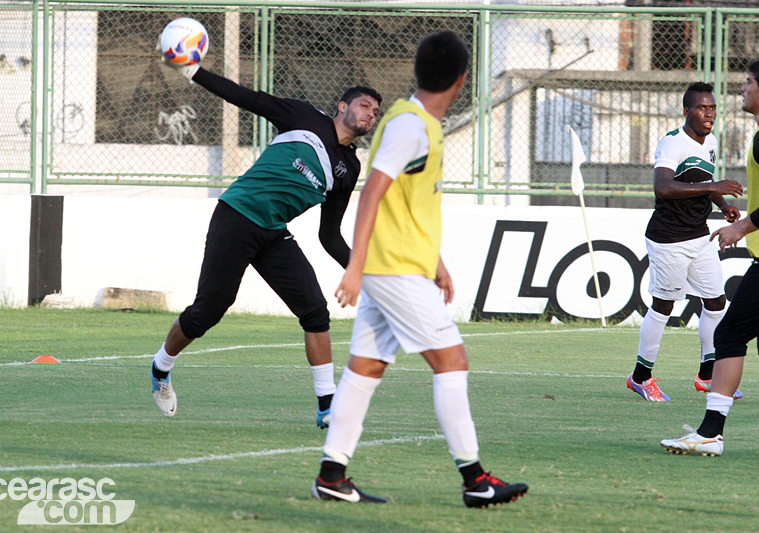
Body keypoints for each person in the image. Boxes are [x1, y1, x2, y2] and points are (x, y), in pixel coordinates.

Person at [310, 30, 528, 507]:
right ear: (463, 79)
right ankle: (475, 479)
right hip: (394, 272)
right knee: (451, 360)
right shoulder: (411, 125)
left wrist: (438, 262)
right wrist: (356, 267)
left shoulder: (415, 122)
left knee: (365, 368)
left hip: (403, 266)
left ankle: (332, 473)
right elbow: (373, 193)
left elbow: (406, 205)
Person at [150, 54, 382, 428]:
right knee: (209, 309)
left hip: (274, 233)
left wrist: (361, 271)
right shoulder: (305, 117)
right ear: (343, 106)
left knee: (314, 311)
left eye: (375, 111)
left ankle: (327, 407)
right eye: (364, 105)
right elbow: (245, 97)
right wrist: (194, 72)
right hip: (236, 216)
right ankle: (161, 368)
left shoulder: (350, 168)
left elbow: (329, 235)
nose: (370, 113)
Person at [661, 57, 759, 456]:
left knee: (728, 335)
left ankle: (710, 432)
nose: (742, 89)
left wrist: (742, 227)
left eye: (747, 83)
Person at [626, 82, 744, 402]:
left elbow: (704, 181)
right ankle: (640, 377)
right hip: (669, 238)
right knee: (664, 307)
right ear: (686, 111)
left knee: (716, 302)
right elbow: (663, 187)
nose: (709, 114)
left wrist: (723, 205)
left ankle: (707, 376)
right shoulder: (672, 144)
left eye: (712, 108)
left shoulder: (711, 141)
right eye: (702, 108)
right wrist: (715, 186)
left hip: (700, 234)